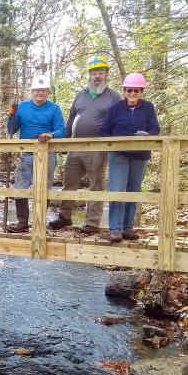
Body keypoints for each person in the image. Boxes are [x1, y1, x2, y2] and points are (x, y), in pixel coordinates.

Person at [49, 55, 122, 234]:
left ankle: (92, 222)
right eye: (94, 73)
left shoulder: (114, 97)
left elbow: (120, 121)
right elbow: (71, 119)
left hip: (98, 148)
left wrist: (113, 144)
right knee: (69, 183)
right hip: (75, 146)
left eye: (101, 73)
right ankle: (64, 217)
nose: (97, 76)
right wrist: (64, 143)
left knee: (96, 184)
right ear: (89, 75)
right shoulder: (80, 95)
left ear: (106, 75)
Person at [100, 72, 160, 243]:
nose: (132, 93)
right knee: (117, 189)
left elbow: (156, 129)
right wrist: (117, 141)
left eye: (136, 90)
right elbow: (104, 132)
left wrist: (147, 135)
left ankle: (128, 228)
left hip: (140, 155)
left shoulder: (148, 108)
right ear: (124, 90)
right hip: (119, 154)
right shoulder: (115, 109)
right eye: (129, 90)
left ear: (142, 92)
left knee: (134, 190)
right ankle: (115, 230)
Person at [6, 75, 65, 233]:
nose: (40, 92)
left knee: (44, 187)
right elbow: (12, 130)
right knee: (20, 186)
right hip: (27, 153)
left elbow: (62, 130)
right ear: (32, 91)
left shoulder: (54, 108)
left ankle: (39, 222)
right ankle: (22, 222)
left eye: (43, 90)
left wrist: (51, 134)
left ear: (48, 92)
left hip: (47, 153)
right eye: (37, 90)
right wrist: (11, 116)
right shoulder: (22, 107)